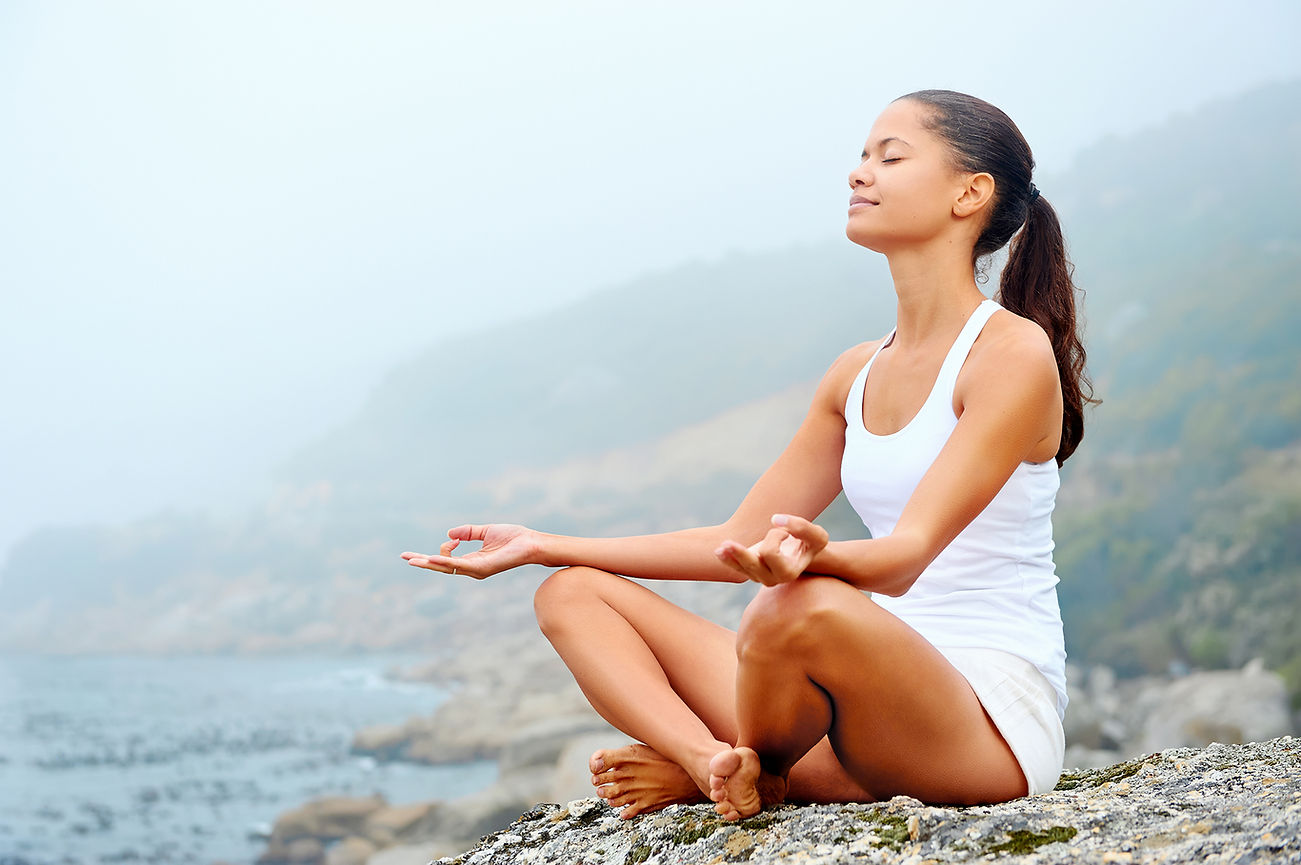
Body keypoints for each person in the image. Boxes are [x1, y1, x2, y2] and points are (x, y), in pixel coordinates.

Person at [402, 89, 1093, 822]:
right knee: (572, 593)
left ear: (970, 193)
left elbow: (904, 556)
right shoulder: (853, 372)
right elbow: (732, 536)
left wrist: (806, 561)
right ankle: (715, 765)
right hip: (846, 709)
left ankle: (765, 770)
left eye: (890, 157)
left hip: (981, 721)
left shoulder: (1009, 353)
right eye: (861, 156)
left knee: (791, 604)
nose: (859, 174)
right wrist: (542, 544)